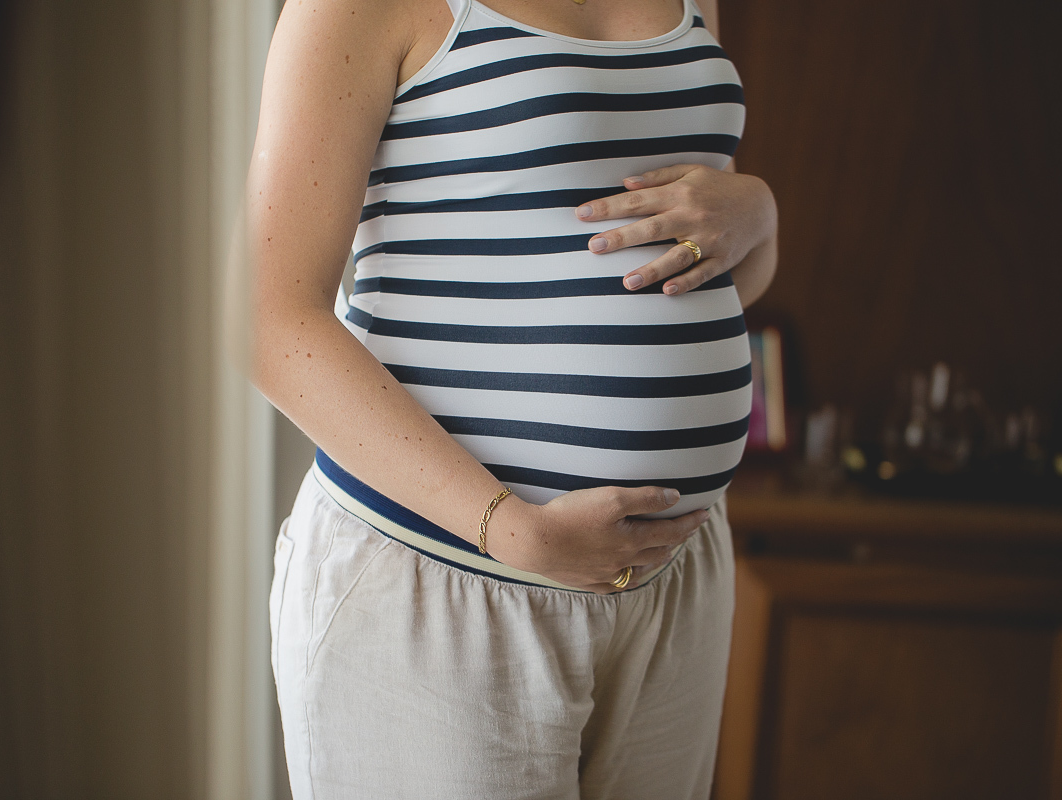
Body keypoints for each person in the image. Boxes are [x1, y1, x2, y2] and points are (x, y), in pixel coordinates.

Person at [249, 0, 777, 796]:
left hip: (673, 573)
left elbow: (706, 272)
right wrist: (512, 532)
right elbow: (268, 319)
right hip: (446, 574)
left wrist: (759, 215)